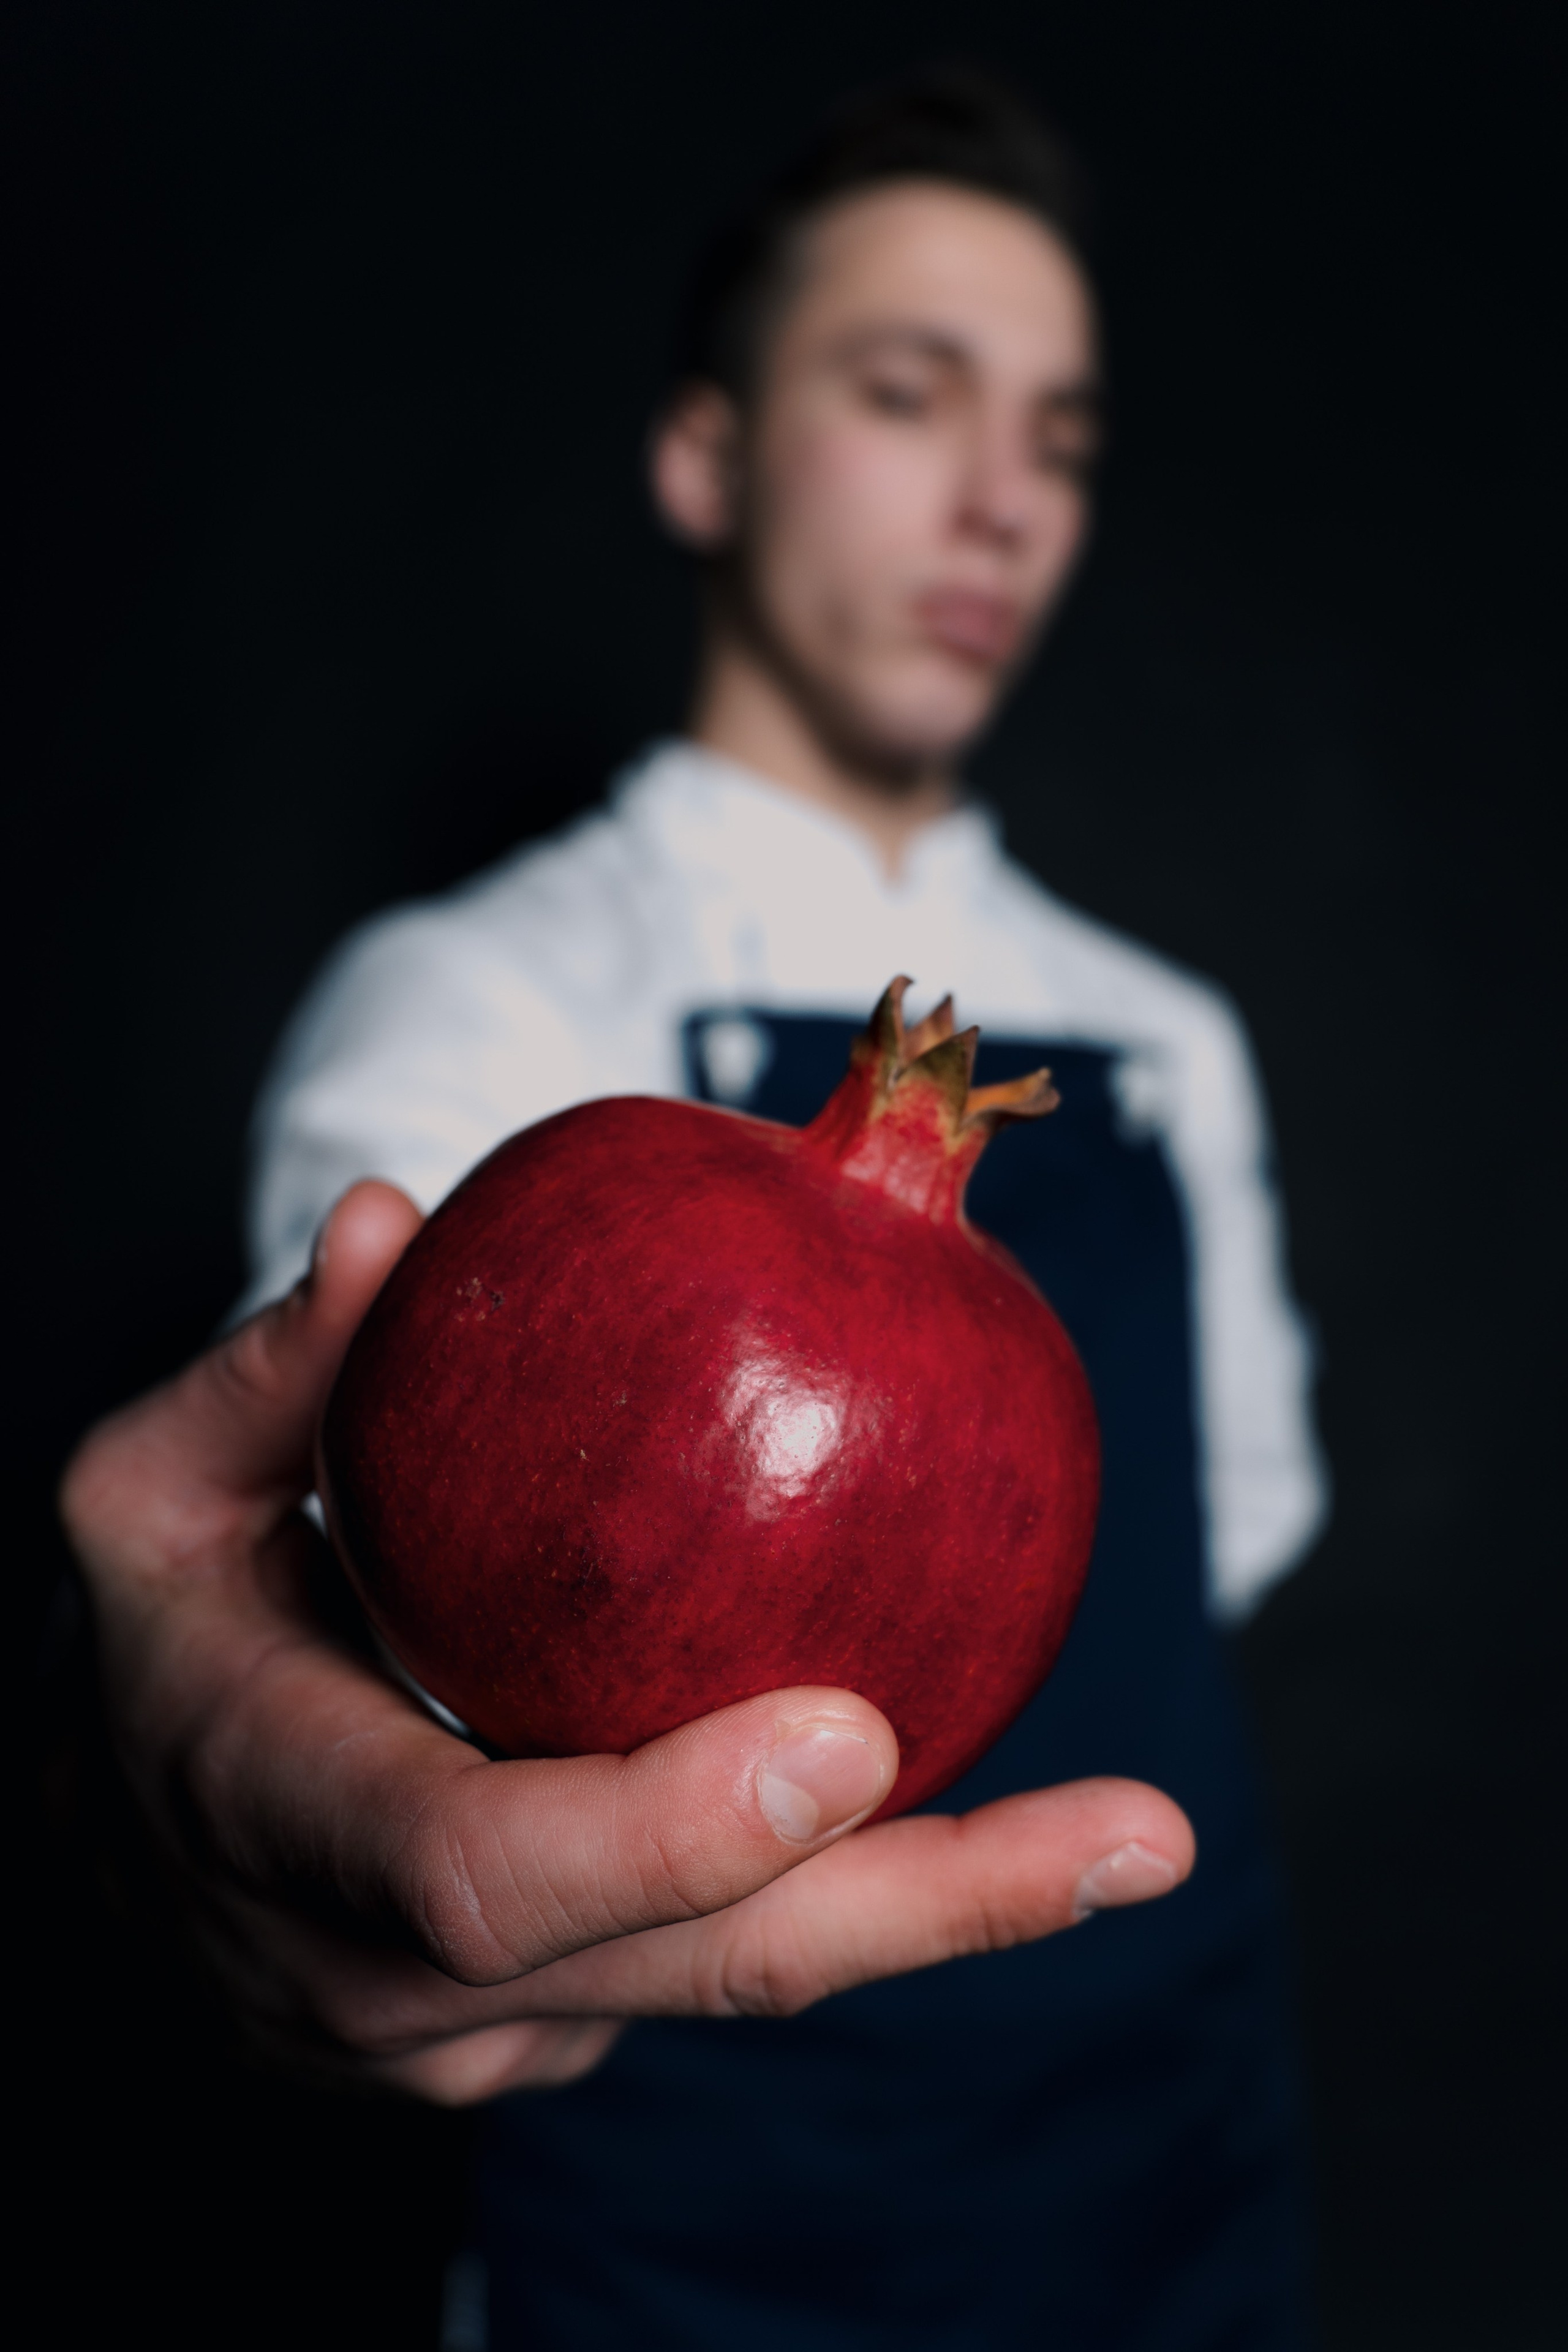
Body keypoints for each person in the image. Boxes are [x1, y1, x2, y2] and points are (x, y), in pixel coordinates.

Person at [64, 69, 1326, 2351]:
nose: (995, 500)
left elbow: (1204, 1552)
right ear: (705, 456)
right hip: (681, 2223)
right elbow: (352, 1583)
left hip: (1172, 2158)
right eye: (904, 392)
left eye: (1056, 436)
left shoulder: (1180, 1037)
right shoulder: (493, 996)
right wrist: (245, 1814)